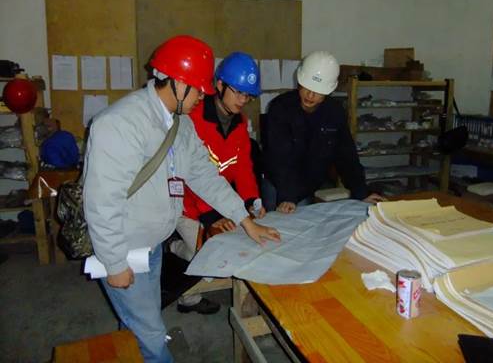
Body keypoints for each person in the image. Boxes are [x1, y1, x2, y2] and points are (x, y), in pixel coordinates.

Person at [83, 35, 280, 363]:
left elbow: (205, 177)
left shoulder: (180, 123)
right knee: (151, 337)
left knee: (135, 326)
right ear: (176, 82)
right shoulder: (120, 124)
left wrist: (246, 221)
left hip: (151, 247)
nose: (203, 96)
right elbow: (101, 203)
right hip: (124, 248)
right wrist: (114, 263)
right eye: (198, 89)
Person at [173, 52, 266, 314]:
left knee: (238, 245)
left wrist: (251, 199)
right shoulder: (192, 117)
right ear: (220, 84)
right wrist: (211, 218)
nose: (243, 100)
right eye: (238, 92)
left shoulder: (241, 123)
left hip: (220, 200)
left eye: (248, 96)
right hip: (188, 204)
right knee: (208, 257)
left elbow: (243, 167)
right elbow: (190, 175)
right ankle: (177, 255)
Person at [263, 51, 384, 213]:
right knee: (277, 224)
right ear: (299, 82)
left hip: (310, 184)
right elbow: (280, 158)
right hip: (279, 185)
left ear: (329, 91)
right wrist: (287, 197)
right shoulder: (280, 108)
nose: (310, 95)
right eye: (307, 87)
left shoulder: (334, 112)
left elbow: (347, 156)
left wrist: (361, 192)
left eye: (318, 91)